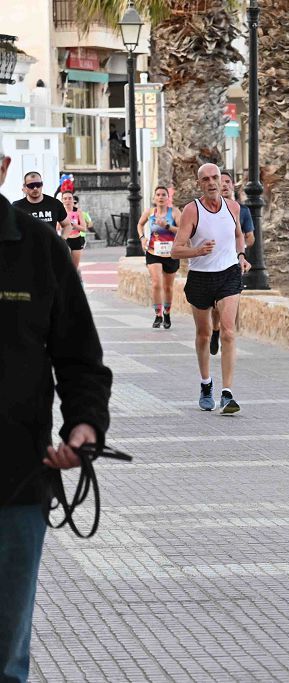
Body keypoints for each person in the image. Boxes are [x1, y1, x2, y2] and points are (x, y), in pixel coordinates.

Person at [0, 134, 112, 683]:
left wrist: (85, 425)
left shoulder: (38, 249)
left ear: (1, 167)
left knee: (4, 655)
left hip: (16, 484)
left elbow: (80, 356)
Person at [171, 163, 250, 414]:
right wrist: (197, 250)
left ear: (223, 181)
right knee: (204, 334)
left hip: (228, 274)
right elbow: (176, 250)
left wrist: (240, 255)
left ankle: (227, 394)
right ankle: (206, 384)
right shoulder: (192, 211)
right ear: (200, 184)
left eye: (216, 177)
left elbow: (239, 235)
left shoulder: (233, 207)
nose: (212, 182)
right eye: (206, 179)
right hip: (201, 277)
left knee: (228, 332)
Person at [209, 173, 256, 355]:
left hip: (233, 263)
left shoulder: (242, 211)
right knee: (214, 305)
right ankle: (215, 330)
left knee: (229, 301)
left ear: (233, 186)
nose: (225, 185)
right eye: (222, 182)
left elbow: (250, 238)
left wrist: (242, 241)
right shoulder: (208, 209)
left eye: (228, 182)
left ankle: (227, 335)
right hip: (213, 263)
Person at [136, 186, 182, 329]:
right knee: (156, 283)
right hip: (153, 252)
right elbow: (140, 224)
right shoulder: (150, 212)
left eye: (163, 195)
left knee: (168, 287)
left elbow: (182, 230)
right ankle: (158, 315)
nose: (161, 197)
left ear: (168, 197)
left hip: (171, 254)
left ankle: (167, 313)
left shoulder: (174, 212)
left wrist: (167, 226)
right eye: (158, 195)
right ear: (154, 198)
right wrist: (142, 237)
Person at [60, 190, 86, 270]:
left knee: (74, 268)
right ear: (62, 200)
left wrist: (74, 226)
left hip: (76, 240)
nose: (67, 200)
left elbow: (84, 229)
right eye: (65, 198)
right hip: (65, 240)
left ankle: (78, 280)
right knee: (64, 265)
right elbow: (56, 228)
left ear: (73, 200)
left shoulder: (78, 211)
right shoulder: (60, 212)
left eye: (69, 198)